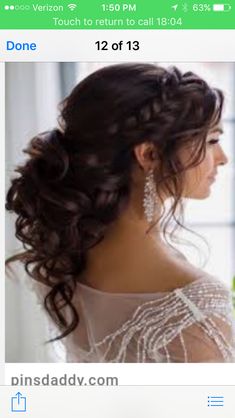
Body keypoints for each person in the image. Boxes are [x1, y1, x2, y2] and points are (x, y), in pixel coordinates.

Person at [6, 63, 235, 362]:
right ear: (149, 154)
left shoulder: (61, 260)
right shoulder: (193, 307)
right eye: (211, 141)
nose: (223, 158)